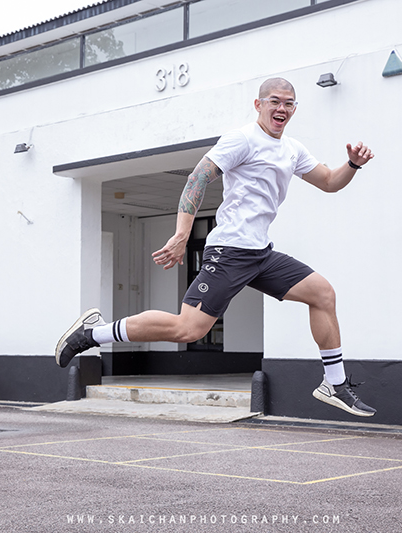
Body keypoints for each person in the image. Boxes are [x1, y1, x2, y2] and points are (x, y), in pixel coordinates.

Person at [56, 77, 376, 417]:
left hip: (261, 253)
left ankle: (334, 384)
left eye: (288, 103)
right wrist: (182, 234)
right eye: (274, 101)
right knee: (188, 329)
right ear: (259, 105)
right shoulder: (242, 139)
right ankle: (93, 334)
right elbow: (197, 178)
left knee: (322, 294)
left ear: (294, 109)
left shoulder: (292, 149)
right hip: (230, 251)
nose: (281, 108)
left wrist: (352, 165)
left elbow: (328, 182)